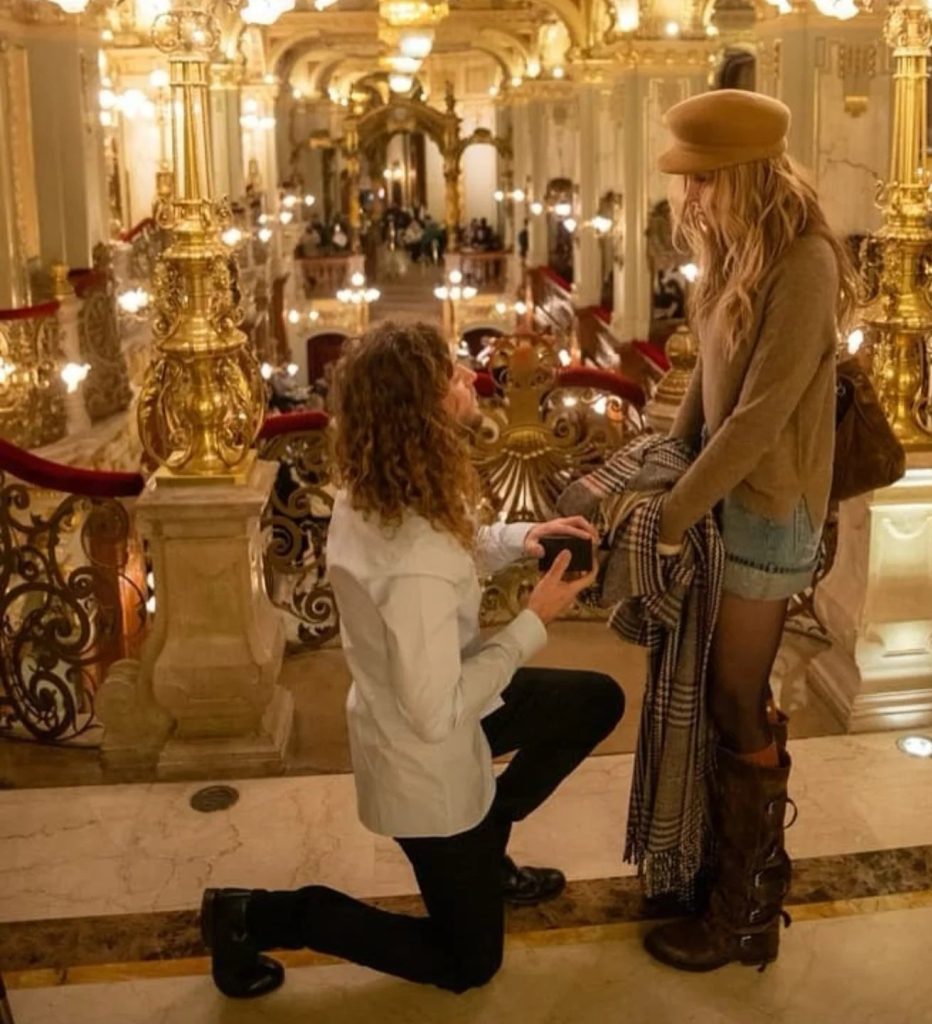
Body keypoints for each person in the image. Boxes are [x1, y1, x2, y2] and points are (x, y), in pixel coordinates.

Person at [200, 321, 624, 999]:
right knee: (467, 965)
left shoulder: (382, 488)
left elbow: (458, 545)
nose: (469, 379)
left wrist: (525, 537)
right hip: (426, 753)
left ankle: (488, 842)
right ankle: (258, 914)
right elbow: (436, 714)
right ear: (420, 410)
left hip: (444, 701)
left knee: (593, 701)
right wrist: (533, 620)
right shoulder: (412, 561)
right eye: (451, 376)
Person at [642, 90, 857, 971]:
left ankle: (743, 914)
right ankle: (730, 876)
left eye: (698, 180)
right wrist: (668, 458)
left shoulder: (804, 260)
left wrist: (675, 512)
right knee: (729, 693)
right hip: (730, 498)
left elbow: (762, 414)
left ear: (736, 174)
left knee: (735, 698)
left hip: (770, 512)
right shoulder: (736, 247)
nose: (687, 198)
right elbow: (710, 379)